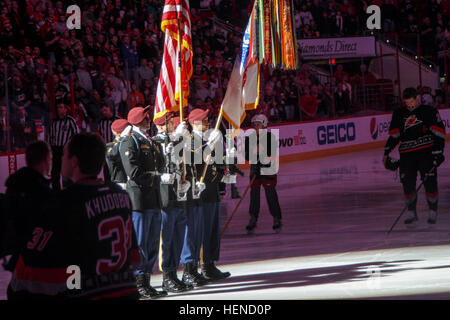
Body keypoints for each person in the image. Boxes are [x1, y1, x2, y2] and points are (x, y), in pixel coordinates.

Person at [7, 133, 141, 300]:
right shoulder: (121, 195)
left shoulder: (63, 203)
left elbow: (35, 269)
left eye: (63, 154)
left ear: (75, 162)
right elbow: (135, 257)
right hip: (127, 291)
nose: (60, 159)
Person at [119, 106, 167, 299]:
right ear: (139, 119)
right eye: (146, 116)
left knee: (153, 241)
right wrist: (157, 179)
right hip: (140, 199)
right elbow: (134, 173)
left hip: (153, 199)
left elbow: (160, 164)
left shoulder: (148, 140)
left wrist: (164, 150)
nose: (149, 119)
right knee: (142, 242)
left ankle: (146, 280)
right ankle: (139, 282)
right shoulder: (129, 141)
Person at [383, 87, 446, 225]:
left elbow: (439, 134)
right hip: (406, 155)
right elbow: (394, 136)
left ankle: (432, 210)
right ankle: (411, 211)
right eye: (407, 103)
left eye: (411, 101)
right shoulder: (399, 113)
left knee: (429, 182)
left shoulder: (429, 111)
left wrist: (438, 153)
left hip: (426, 154)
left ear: (417, 98)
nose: (409, 105)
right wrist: (386, 153)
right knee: (407, 183)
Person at [152, 112, 193, 292]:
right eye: (169, 122)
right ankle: (167, 275)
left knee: (178, 235)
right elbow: (153, 168)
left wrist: (183, 138)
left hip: (178, 193)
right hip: (164, 195)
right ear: (161, 126)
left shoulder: (175, 140)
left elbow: (183, 160)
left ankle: (174, 273)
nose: (172, 124)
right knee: (166, 238)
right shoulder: (154, 143)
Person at [2, 141, 52, 272]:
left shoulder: (14, 185)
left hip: (18, 258)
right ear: (46, 159)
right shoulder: (41, 191)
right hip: (34, 260)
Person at [245, 114, 282, 232]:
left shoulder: (271, 137)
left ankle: (276, 217)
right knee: (254, 195)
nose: (256, 127)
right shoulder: (249, 138)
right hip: (255, 169)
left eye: (258, 124)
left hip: (267, 170)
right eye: (254, 125)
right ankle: (253, 218)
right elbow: (246, 155)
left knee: (270, 194)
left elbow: (272, 152)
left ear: (264, 125)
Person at [48, 102, 79, 190]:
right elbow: (50, 135)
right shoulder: (54, 121)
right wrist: (51, 147)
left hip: (66, 149)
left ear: (65, 109)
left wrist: (72, 148)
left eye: (61, 107)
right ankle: (56, 191)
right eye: (58, 108)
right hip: (56, 149)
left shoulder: (70, 120)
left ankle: (69, 190)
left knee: (67, 171)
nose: (59, 109)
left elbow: (76, 134)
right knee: (55, 172)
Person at [105, 119, 130, 190]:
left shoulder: (130, 143)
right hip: (120, 182)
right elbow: (114, 154)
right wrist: (123, 138)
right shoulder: (110, 146)